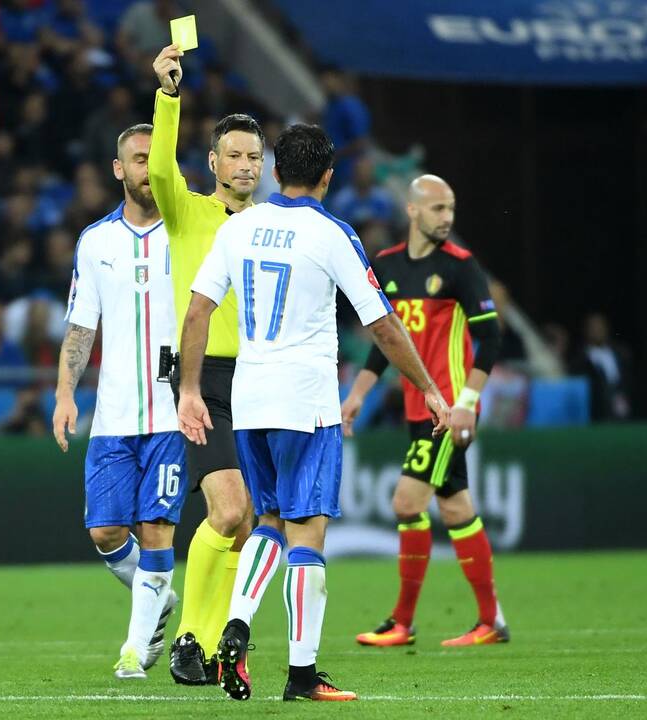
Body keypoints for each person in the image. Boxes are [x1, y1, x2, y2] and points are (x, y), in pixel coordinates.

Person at [177, 123, 449, 702]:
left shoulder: (240, 226)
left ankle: (238, 623)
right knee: (308, 532)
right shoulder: (332, 234)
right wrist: (425, 385)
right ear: (328, 176)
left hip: (248, 400)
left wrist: (191, 389)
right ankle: (302, 675)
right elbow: (381, 322)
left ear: (276, 171)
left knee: (268, 521)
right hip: (306, 400)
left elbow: (198, 312)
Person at [342, 174, 510, 648]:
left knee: (406, 502)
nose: (448, 218)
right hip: (420, 406)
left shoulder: (460, 267)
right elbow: (387, 342)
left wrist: (468, 402)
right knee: (456, 509)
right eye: (438, 209)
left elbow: (492, 337)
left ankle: (402, 620)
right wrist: (357, 394)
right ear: (412, 211)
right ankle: (490, 620)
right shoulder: (389, 266)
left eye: (451, 208)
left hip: (448, 411)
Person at [52, 123, 188, 680]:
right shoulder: (95, 241)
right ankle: (158, 598)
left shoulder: (187, 232)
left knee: (157, 529)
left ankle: (134, 650)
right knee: (106, 532)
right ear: (119, 169)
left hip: (172, 415)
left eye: (154, 160)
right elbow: (81, 327)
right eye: (137, 160)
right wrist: (64, 393)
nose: (146, 170)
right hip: (112, 418)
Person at [149, 44, 262, 685]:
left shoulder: (277, 224)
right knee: (226, 511)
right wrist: (168, 96)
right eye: (235, 156)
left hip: (262, 380)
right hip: (203, 380)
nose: (245, 165)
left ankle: (216, 641)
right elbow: (160, 170)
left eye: (254, 156)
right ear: (214, 162)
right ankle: (190, 640)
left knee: (246, 525)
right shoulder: (188, 209)